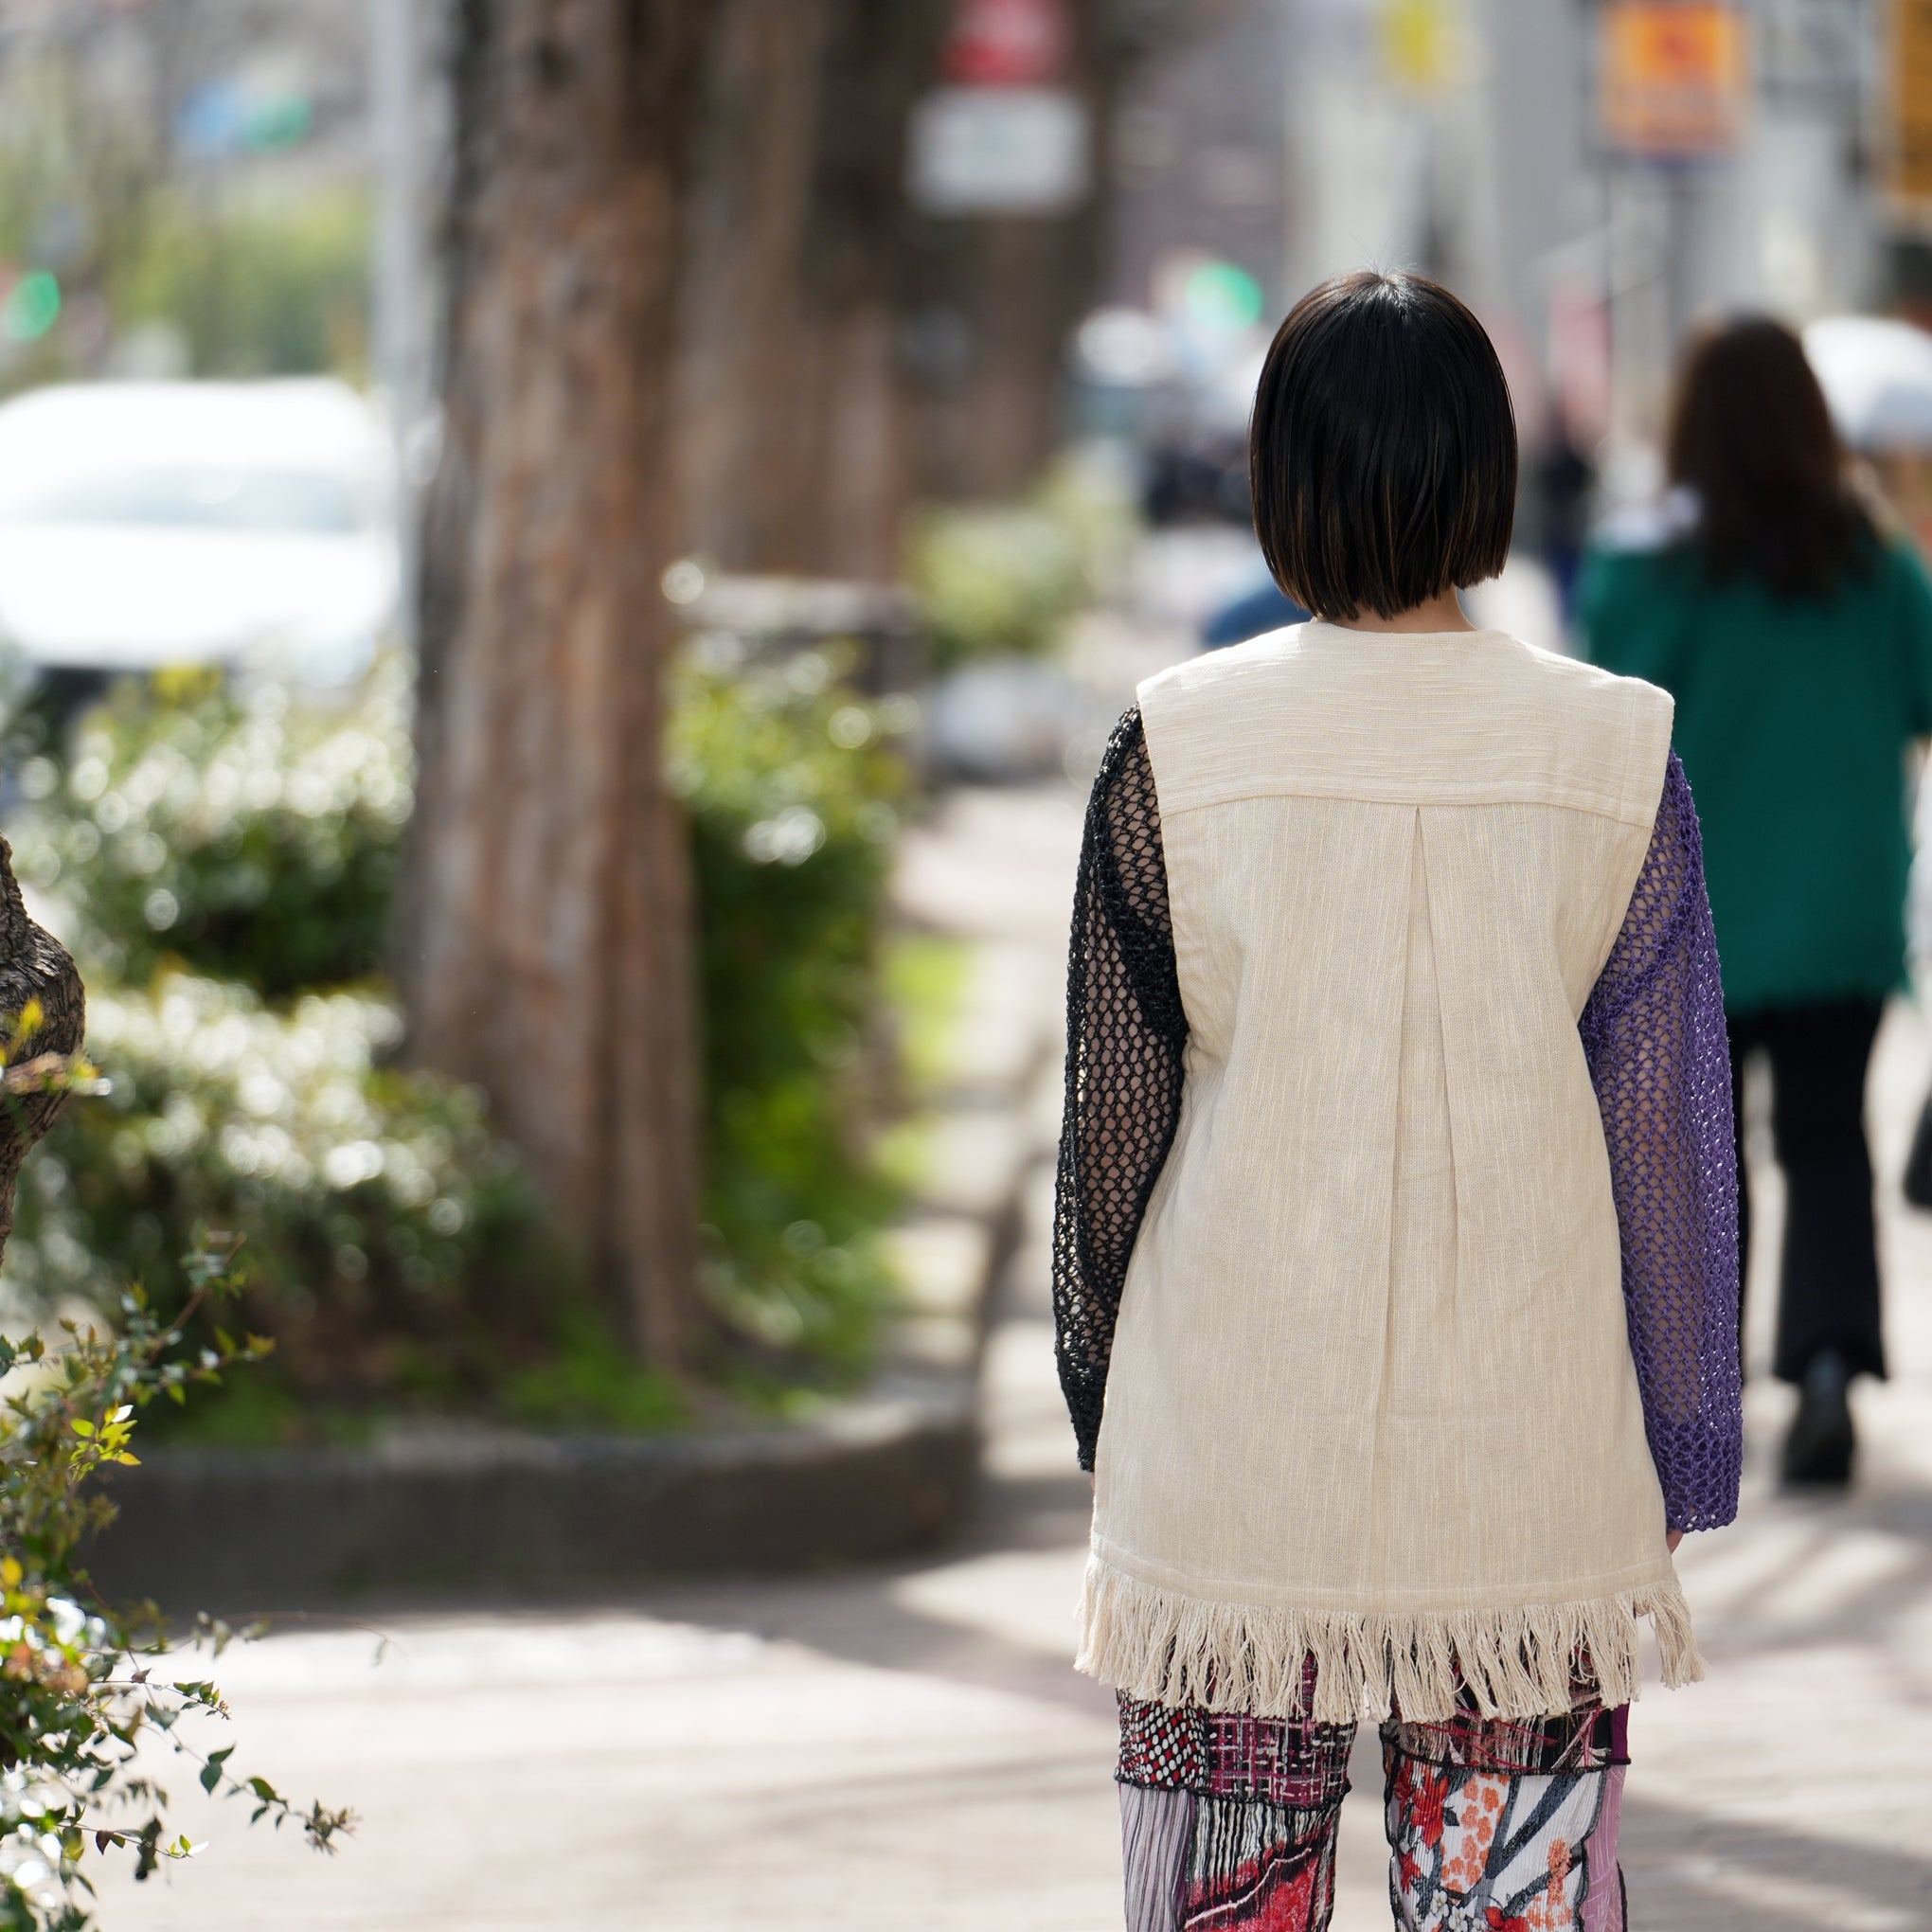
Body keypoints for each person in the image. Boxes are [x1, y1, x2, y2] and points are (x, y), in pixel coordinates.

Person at [1052, 271, 1741, 1932]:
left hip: (1233, 1473)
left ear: (1275, 474)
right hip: (1529, 1481)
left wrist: (1108, 1410)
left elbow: (1112, 1141)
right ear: (1487, 472)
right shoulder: (1617, 754)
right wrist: (1684, 1440)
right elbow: (1671, 1145)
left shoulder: (1172, 746)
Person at [1579, 317, 1932, 1490]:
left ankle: (1695, 1400)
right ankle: (1827, 1365)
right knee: (1830, 1144)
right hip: (1840, 904)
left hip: (1688, 912)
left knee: (1695, 1157)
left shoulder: (1639, 572)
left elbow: (1603, 733)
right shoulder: (1879, 567)